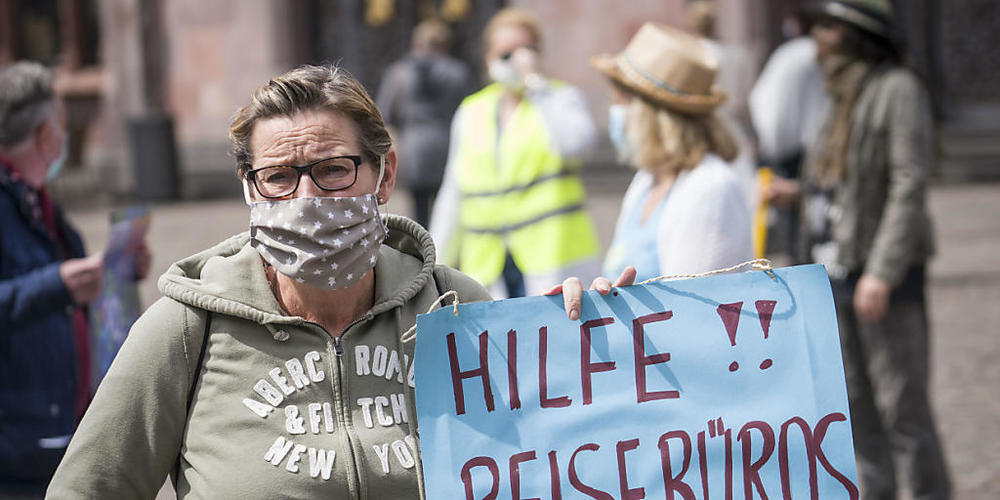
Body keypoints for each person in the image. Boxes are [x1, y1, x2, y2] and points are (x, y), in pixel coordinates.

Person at [46, 64, 632, 499]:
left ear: (384, 175)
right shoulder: (185, 327)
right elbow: (86, 489)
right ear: (251, 190)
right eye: (278, 176)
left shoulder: (457, 307)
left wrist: (596, 349)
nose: (305, 199)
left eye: (332, 170)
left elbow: (561, 462)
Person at [766, 2, 948, 499]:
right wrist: (798, 193)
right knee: (854, 407)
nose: (817, 38)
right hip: (833, 272)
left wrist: (882, 273)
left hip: (881, 277)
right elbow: (842, 181)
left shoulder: (897, 90)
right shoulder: (838, 93)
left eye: (825, 27)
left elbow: (907, 184)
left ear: (852, 34)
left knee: (902, 410)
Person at [0, 61, 148, 497]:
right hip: (17, 448)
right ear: (46, 136)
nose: (64, 138)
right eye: (60, 127)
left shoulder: (39, 202)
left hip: (59, 428)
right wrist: (57, 284)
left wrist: (116, 272)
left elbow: (74, 295)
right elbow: (38, 291)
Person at [430, 7, 601, 298]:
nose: (519, 61)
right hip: (488, 262)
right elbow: (453, 193)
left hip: (553, 260)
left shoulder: (559, 98)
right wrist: (434, 267)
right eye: (507, 54)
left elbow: (576, 145)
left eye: (527, 50)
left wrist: (535, 85)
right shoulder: (472, 111)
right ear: (489, 58)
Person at [592, 23, 753, 282]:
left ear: (648, 114)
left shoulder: (711, 188)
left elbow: (690, 309)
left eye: (618, 103)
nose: (614, 115)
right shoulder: (647, 180)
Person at [376, 18, 471, 228]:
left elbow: (384, 112)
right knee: (447, 209)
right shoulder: (457, 72)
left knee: (419, 212)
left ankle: (425, 253)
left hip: (413, 149)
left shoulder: (399, 73)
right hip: (447, 146)